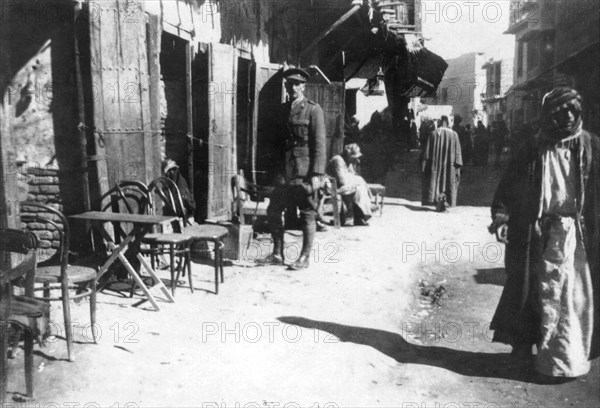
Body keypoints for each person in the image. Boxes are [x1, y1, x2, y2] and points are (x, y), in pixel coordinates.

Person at [489, 87, 599, 379]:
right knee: (530, 292)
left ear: (579, 112)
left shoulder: (591, 147)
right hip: (536, 231)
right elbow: (508, 186)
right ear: (547, 115)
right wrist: (502, 217)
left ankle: (566, 359)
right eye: (559, 112)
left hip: (578, 236)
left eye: (571, 111)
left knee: (573, 298)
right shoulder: (531, 148)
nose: (565, 117)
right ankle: (524, 349)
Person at [262, 67, 327, 270]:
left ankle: (304, 257)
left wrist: (317, 173)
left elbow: (319, 144)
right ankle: (277, 253)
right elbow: (275, 143)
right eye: (289, 85)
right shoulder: (281, 110)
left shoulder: (313, 110)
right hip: (283, 171)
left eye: (297, 85)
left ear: (303, 86)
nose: (293, 88)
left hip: (303, 170)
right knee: (274, 210)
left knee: (307, 212)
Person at [420, 115, 463, 211]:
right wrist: (458, 166)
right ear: (447, 123)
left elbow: (427, 154)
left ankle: (437, 202)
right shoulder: (454, 135)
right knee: (448, 183)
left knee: (436, 183)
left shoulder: (433, 134)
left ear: (440, 122)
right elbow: (458, 154)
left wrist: (425, 165)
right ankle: (445, 203)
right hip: (450, 166)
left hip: (435, 165)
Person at [327, 143, 373, 226]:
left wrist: (355, 179)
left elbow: (354, 175)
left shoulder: (349, 162)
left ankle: (360, 216)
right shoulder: (338, 160)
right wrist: (355, 180)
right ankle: (356, 214)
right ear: (348, 154)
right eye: (354, 157)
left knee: (360, 187)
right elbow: (342, 180)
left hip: (341, 185)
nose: (356, 160)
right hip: (330, 184)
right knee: (358, 185)